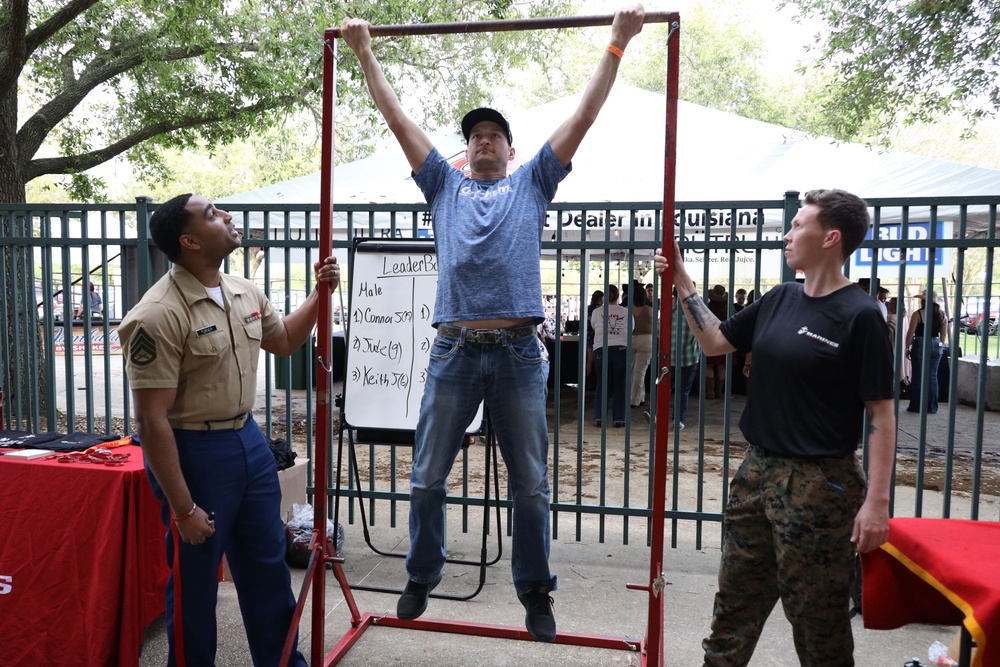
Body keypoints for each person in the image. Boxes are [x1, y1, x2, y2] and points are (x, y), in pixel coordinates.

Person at [341, 5, 646, 642]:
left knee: (531, 486)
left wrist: (616, 44)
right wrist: (366, 54)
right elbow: (397, 118)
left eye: (494, 135)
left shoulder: (534, 182)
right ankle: (422, 573)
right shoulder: (442, 187)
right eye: (474, 134)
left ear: (511, 149)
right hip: (453, 351)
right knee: (425, 476)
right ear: (464, 150)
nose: (483, 140)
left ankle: (535, 589)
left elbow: (583, 117)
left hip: (516, 356)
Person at [654, 188, 896, 665]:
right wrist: (680, 275)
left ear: (830, 238)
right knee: (734, 607)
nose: (787, 235)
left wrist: (877, 503)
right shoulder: (781, 297)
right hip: (756, 473)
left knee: (817, 620)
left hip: (820, 485)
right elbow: (715, 342)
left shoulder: (861, 315)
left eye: (798, 225)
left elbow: (881, 415)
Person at [118, 193, 340, 666]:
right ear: (190, 240)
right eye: (213, 214)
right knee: (195, 581)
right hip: (194, 452)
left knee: (267, 567)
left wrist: (320, 295)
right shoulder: (157, 313)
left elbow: (283, 342)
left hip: (248, 442)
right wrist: (183, 509)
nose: (228, 217)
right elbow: (151, 420)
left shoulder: (243, 291)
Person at [592, 284, 630, 427]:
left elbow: (594, 326)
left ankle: (600, 417)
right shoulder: (625, 311)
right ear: (618, 296)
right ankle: (619, 418)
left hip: (601, 349)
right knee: (620, 384)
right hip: (621, 349)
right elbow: (630, 328)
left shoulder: (597, 312)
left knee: (602, 383)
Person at [905, 289, 947, 413]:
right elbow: (943, 334)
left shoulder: (918, 314)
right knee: (933, 377)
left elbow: (910, 333)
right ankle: (932, 406)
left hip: (920, 342)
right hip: (936, 343)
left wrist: (907, 347)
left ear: (923, 301)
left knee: (918, 376)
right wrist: (940, 344)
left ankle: (916, 406)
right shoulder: (942, 314)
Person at [629, 285, 654, 408]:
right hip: (646, 341)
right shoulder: (650, 310)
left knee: (633, 370)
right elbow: (657, 327)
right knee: (640, 371)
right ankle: (634, 400)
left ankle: (641, 397)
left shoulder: (627, 309)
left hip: (630, 340)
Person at [704, 284, 729, 399]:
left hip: (710, 338)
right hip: (725, 338)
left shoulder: (708, 307)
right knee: (721, 366)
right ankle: (719, 392)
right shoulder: (729, 308)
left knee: (709, 365)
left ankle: (710, 392)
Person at [585, 289, 604, 376]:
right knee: (600, 358)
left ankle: (588, 379)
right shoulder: (601, 309)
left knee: (590, 358)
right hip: (598, 336)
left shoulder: (587, 308)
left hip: (588, 335)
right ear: (601, 298)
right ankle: (597, 378)